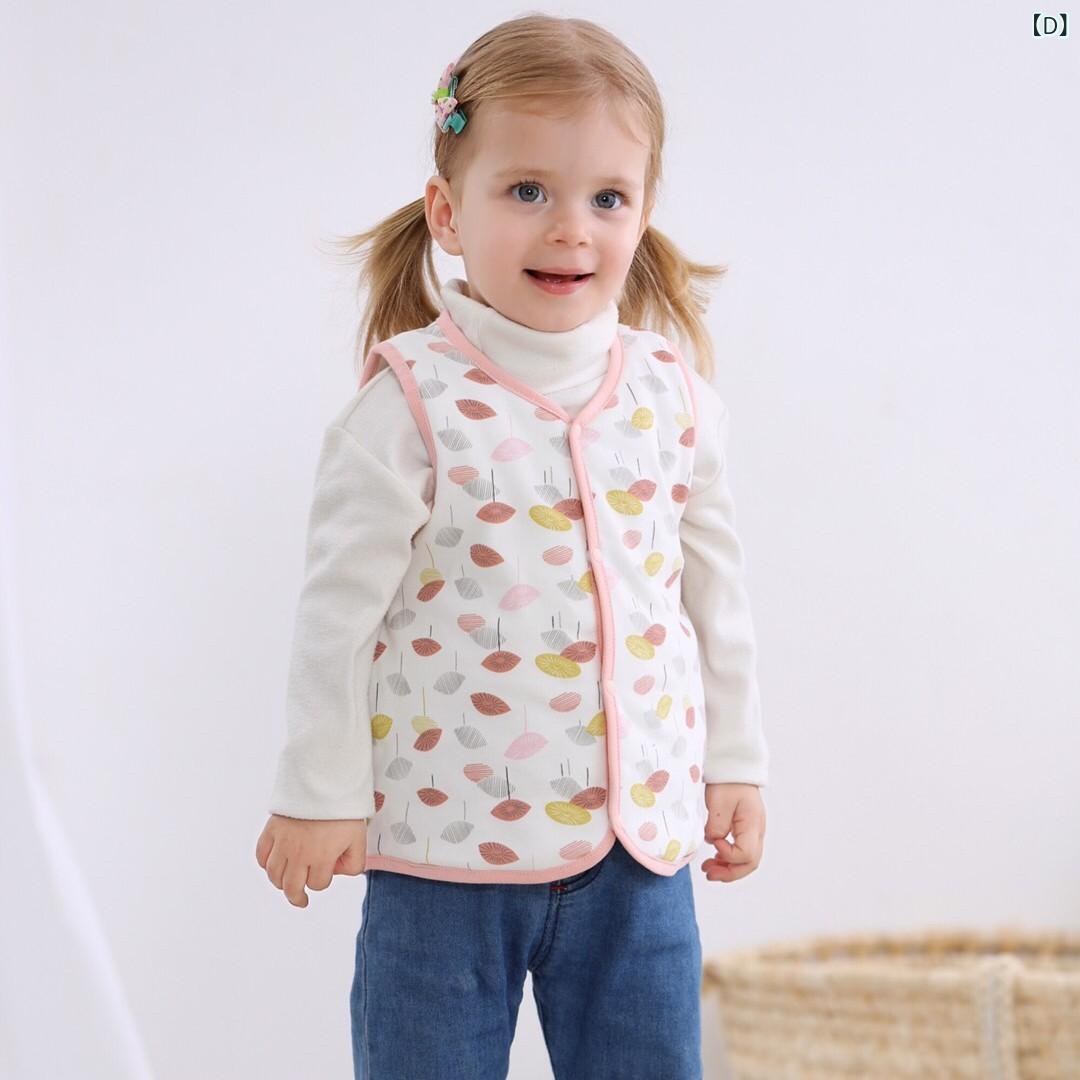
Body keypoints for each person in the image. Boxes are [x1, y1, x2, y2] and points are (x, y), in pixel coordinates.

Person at [255, 14, 769, 1079]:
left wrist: (736, 765)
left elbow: (715, 603)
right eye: (528, 189)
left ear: (643, 212)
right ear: (448, 212)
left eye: (607, 198)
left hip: (639, 858)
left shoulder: (675, 399)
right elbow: (336, 618)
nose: (571, 229)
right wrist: (318, 789)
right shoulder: (407, 402)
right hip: (441, 856)